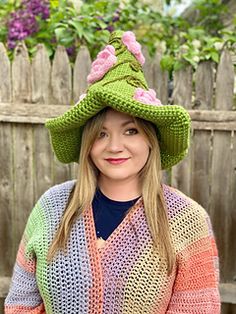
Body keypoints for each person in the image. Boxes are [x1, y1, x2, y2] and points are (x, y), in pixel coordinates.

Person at [5, 30, 220, 313]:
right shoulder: (53, 207)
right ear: (88, 145)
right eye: (101, 134)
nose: (115, 146)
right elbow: (21, 302)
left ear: (150, 140)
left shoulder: (186, 220)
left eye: (131, 131)